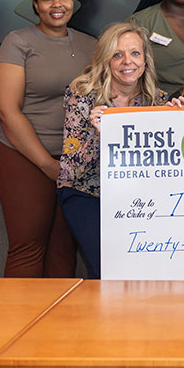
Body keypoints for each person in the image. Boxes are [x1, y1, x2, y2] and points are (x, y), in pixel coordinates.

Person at [0, 0, 96, 278]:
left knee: (65, 248)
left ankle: (57, 325)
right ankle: (17, 324)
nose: (56, 5)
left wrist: (68, 165)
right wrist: (47, 164)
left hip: (76, 160)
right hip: (22, 154)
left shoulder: (93, 45)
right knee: (28, 246)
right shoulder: (19, 42)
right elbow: (5, 110)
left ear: (73, 2)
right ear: (36, 5)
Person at [57, 22, 166, 279]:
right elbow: (71, 170)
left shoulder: (157, 101)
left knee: (145, 269)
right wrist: (97, 135)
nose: (127, 61)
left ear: (145, 59)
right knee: (105, 268)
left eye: (135, 53)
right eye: (117, 54)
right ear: (105, 60)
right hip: (87, 193)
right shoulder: (82, 95)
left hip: (137, 199)